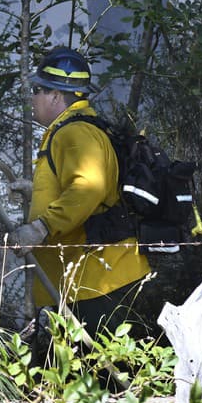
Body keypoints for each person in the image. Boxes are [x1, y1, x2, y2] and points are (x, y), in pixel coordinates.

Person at [9, 47, 152, 335]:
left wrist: (41, 227)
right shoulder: (78, 129)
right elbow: (84, 185)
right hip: (89, 280)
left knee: (106, 372)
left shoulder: (73, 133)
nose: (33, 97)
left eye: (38, 90)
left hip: (96, 282)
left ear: (55, 96)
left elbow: (89, 188)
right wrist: (37, 191)